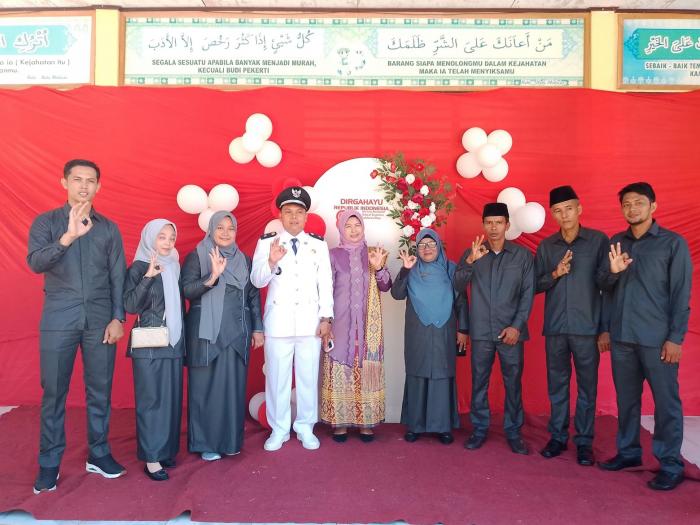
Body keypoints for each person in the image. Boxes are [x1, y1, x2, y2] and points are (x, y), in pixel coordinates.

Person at [27, 159, 127, 494]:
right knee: (54, 392)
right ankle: (49, 463)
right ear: (64, 183)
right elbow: (35, 262)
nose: (84, 186)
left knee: (100, 389)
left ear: (99, 186)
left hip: (100, 320)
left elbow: (117, 275)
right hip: (59, 318)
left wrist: (118, 318)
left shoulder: (108, 228)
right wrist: (68, 236)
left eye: (90, 180)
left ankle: (99, 453)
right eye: (77, 179)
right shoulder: (46, 222)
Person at [598, 182, 691, 491]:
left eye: (639, 202)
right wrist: (613, 272)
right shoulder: (616, 242)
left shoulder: (672, 244)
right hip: (622, 337)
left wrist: (675, 338)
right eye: (626, 204)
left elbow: (681, 294)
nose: (632, 208)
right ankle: (628, 453)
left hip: (657, 339)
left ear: (653, 206)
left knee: (666, 403)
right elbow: (604, 288)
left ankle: (670, 464)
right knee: (626, 401)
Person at [251, 186, 333, 451]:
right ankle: (279, 429)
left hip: (310, 323)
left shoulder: (318, 244)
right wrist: (271, 262)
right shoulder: (268, 242)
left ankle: (306, 427)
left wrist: (326, 318)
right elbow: (256, 280)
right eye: (288, 212)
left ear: (306, 216)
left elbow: (326, 283)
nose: (294, 217)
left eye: (299, 212)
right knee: (277, 380)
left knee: (308, 379)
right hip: (278, 323)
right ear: (281, 215)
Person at [534, 186, 610, 466]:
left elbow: (607, 286)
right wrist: (555, 273)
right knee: (557, 385)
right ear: (552, 214)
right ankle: (557, 437)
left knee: (587, 387)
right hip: (555, 327)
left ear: (579, 209)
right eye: (557, 210)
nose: (564, 215)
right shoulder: (546, 246)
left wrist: (605, 328)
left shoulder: (598, 241)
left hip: (587, 328)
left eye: (568, 208)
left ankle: (584, 442)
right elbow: (535, 285)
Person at [182, 211, 263, 461]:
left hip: (237, 333)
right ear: (211, 230)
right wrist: (213, 276)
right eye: (220, 228)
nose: (226, 233)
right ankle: (206, 443)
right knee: (205, 389)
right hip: (206, 334)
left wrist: (258, 328)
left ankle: (229, 441)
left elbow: (252, 296)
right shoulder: (198, 256)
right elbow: (187, 290)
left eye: (231, 228)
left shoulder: (244, 260)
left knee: (232, 389)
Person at [454, 202, 535, 455]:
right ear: (483, 225)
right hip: (481, 332)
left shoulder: (522, 256)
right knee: (479, 382)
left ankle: (514, 432)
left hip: (511, 334)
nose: (493, 227)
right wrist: (470, 262)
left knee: (513, 384)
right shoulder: (473, 252)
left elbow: (527, 294)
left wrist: (517, 327)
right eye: (489, 222)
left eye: (498, 222)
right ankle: (479, 429)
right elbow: (457, 287)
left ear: (507, 225)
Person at [391, 228, 468, 445]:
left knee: (442, 375)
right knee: (417, 373)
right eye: (422, 245)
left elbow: (462, 300)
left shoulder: (451, 269)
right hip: (418, 331)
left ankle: (442, 427)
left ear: (439, 246)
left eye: (431, 244)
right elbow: (397, 294)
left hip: (445, 330)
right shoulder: (411, 268)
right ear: (417, 248)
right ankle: (415, 426)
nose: (427, 249)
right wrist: (405, 270)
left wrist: (463, 330)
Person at [320, 209, 391, 442]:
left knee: (365, 364)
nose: (353, 230)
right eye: (348, 226)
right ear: (341, 229)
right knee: (340, 364)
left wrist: (379, 268)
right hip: (340, 323)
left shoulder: (374, 253)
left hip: (368, 326)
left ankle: (366, 422)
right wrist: (326, 321)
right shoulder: (333, 255)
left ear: (363, 227)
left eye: (357, 225)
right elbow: (326, 290)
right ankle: (340, 422)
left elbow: (386, 286)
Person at [123, 219, 184, 481]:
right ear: (150, 238)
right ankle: (152, 458)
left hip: (173, 342)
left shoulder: (175, 266)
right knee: (151, 401)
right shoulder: (139, 267)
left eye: (171, 237)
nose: (168, 242)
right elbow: (130, 305)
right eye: (162, 237)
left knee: (171, 400)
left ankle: (165, 450)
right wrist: (148, 277)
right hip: (149, 343)